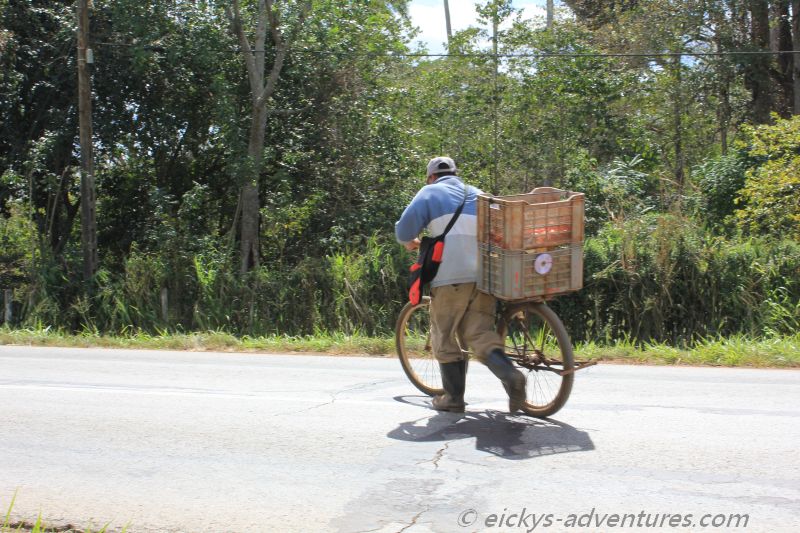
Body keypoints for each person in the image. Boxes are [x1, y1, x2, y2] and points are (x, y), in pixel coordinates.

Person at [395, 156, 525, 414]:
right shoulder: (478, 194)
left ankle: (453, 399)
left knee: (443, 335)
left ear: (431, 177)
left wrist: (411, 241)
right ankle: (511, 375)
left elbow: (403, 231)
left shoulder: (429, 193)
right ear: (455, 174)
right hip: (485, 276)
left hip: (450, 276)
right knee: (479, 335)